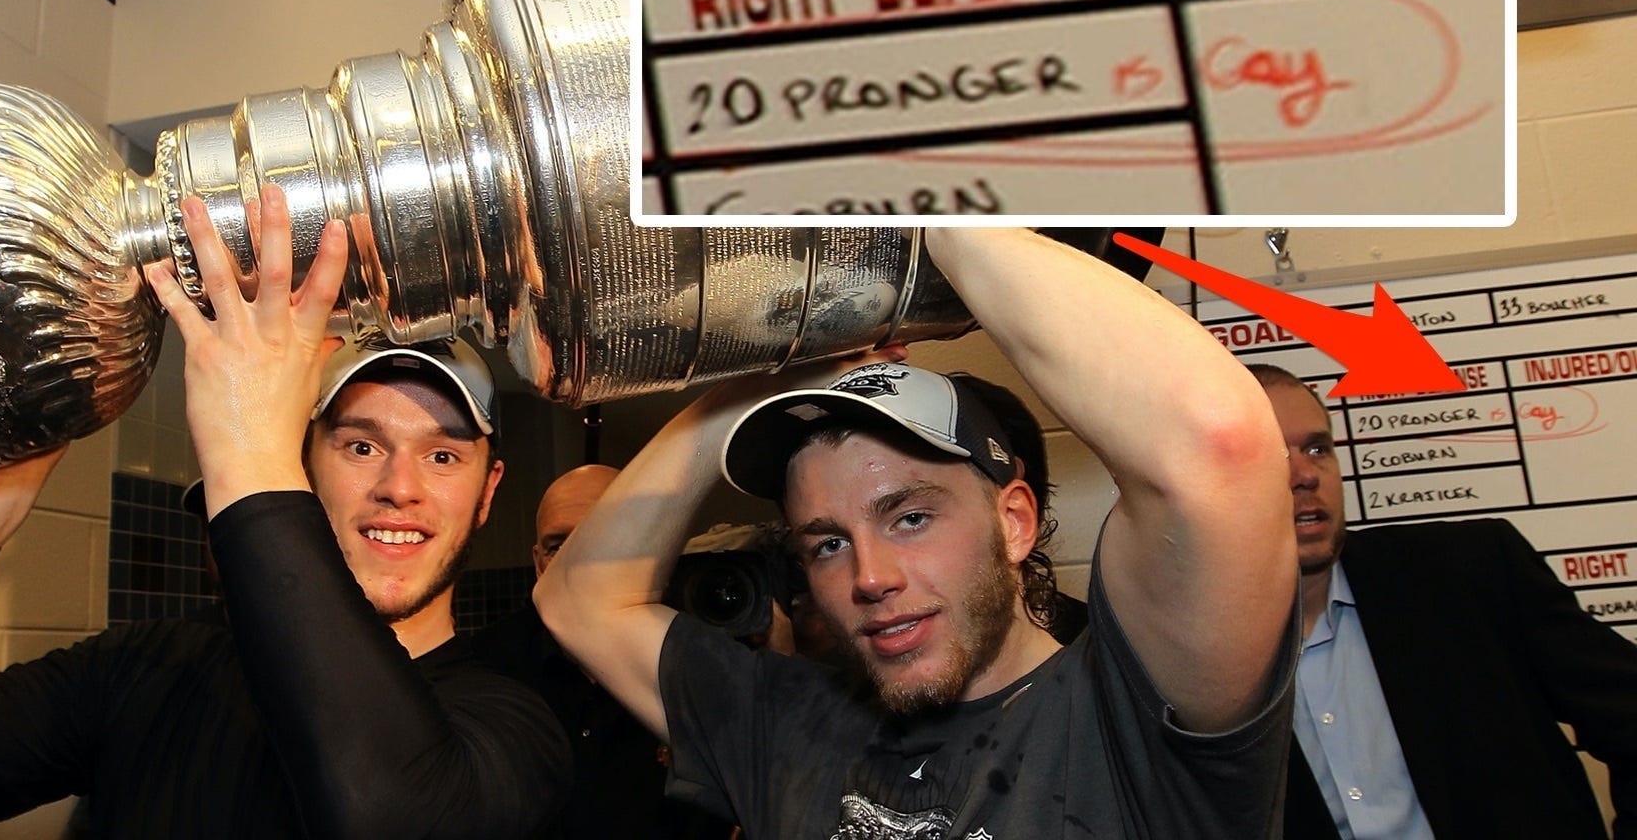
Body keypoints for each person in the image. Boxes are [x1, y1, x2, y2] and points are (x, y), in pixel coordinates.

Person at [0, 188, 568, 837]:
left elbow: (387, 812)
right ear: (304, 468)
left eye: (446, 455)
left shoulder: (511, 718)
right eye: (358, 446)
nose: (401, 487)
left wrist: (245, 451)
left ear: (489, 494)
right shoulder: (147, 671)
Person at [537, 228, 1302, 838]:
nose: (870, 576)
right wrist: (746, 394)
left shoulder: (1130, 720)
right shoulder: (786, 725)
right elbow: (578, 598)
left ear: (1013, 522)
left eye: (909, 517)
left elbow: (1218, 445)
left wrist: (925, 215)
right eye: (828, 542)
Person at [1248, 363, 1637, 840]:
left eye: (1316, 448)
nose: (1305, 474)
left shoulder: (1474, 572)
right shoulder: (1180, 656)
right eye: (1270, 454)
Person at [475, 465, 733, 840]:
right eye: (557, 546)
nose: (574, 563)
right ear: (537, 562)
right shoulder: (489, 668)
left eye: (599, 538)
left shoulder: (700, 667)